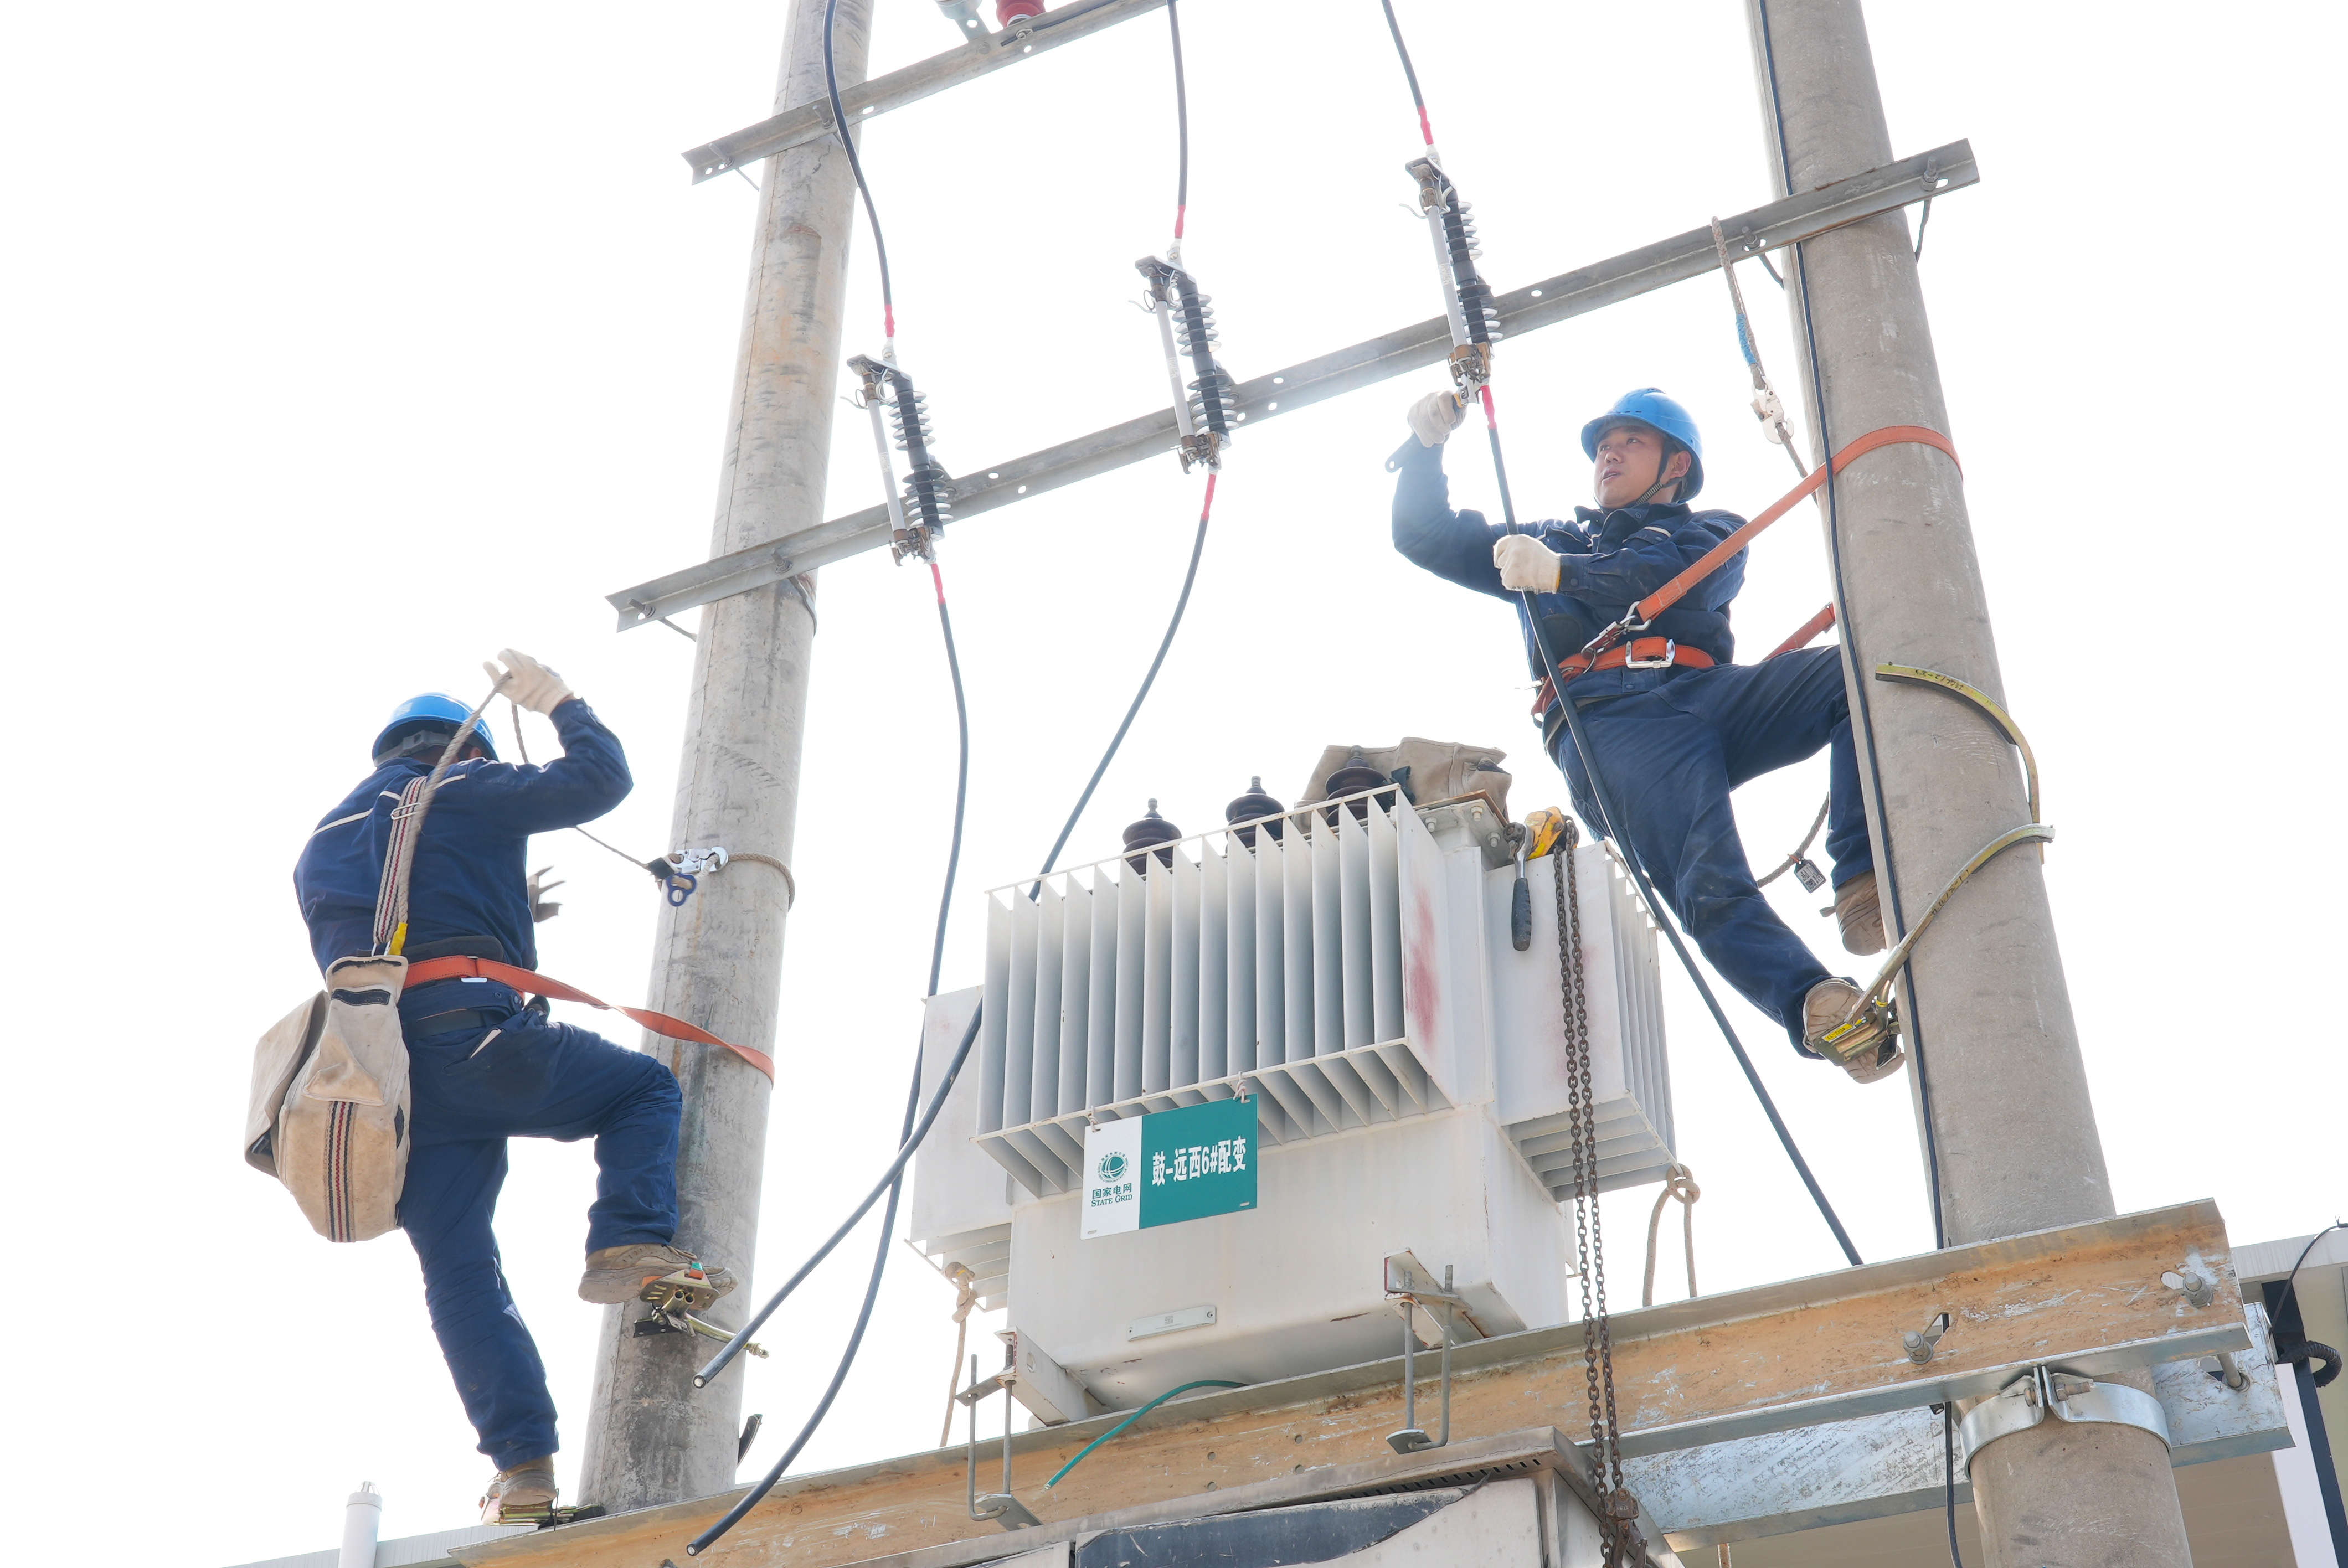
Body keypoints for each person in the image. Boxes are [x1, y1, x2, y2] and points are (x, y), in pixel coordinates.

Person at [291, 650, 735, 1522]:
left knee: (460, 1272)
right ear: (466, 751)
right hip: (477, 1036)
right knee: (641, 1090)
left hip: (392, 1090)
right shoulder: (461, 788)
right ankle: (628, 1242)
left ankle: (524, 1471)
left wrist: (505, 910)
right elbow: (600, 781)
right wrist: (561, 700)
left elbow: (386, 928)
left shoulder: (323, 841)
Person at [1389, 388, 1902, 1084]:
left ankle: (1859, 878)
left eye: (1630, 439)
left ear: (1675, 464)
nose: (1608, 451)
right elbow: (1426, 536)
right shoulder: (1551, 540)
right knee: (1707, 880)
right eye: (1604, 443)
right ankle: (1815, 1004)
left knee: (1858, 673)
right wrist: (1425, 451)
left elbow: (1672, 580)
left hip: (1701, 695)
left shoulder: (1708, 530)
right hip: (1610, 725)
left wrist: (1562, 574)